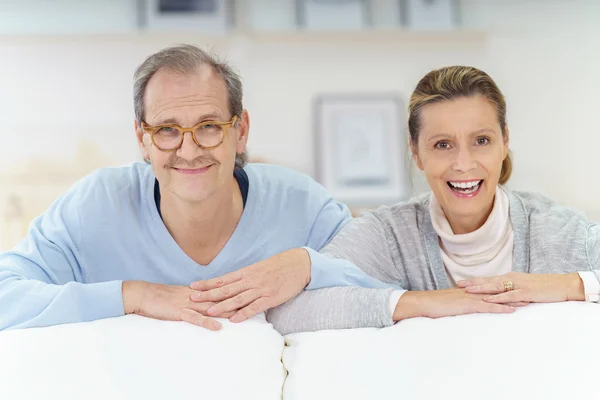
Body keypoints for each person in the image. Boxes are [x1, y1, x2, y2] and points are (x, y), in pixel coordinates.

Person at [0, 44, 387, 331]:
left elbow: (392, 284)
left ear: (241, 131)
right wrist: (134, 296)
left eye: (208, 127)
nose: (189, 150)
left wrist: (306, 266)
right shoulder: (96, 204)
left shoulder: (303, 205)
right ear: (142, 138)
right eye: (167, 130)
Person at [268, 65, 600, 335]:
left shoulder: (557, 233)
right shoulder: (389, 235)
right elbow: (287, 312)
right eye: (443, 144)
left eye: (481, 140)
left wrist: (564, 285)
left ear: (504, 142)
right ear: (416, 152)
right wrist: (426, 303)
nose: (464, 163)